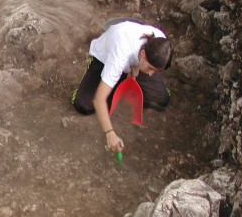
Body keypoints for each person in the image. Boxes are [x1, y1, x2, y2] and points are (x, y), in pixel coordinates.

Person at [71, 17, 173, 154]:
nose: (150, 74)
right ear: (143, 54)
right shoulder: (120, 54)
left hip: (134, 60)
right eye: (150, 68)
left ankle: (118, 79)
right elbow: (98, 100)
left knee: (162, 100)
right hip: (104, 59)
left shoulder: (161, 43)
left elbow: (149, 67)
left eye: (155, 70)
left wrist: (137, 68)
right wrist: (110, 133)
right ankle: (111, 80)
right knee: (83, 105)